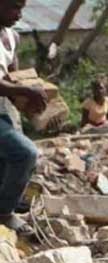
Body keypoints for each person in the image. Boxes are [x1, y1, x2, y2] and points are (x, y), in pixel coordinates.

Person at [0, 0, 46, 234]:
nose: (18, 14)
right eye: (13, 7)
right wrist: (25, 91)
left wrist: (36, 103)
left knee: (6, 160)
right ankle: (5, 213)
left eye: (21, 8)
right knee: (25, 153)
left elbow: (14, 77)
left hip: (3, 109)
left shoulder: (12, 37)